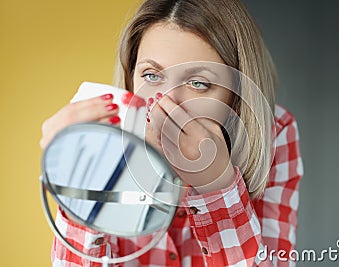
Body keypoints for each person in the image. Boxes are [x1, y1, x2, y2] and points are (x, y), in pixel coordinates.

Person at [41, 0, 303, 266]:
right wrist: (82, 186)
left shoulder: (275, 133)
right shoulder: (111, 133)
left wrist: (217, 187)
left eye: (198, 83)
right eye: (152, 76)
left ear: (236, 96)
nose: (168, 102)